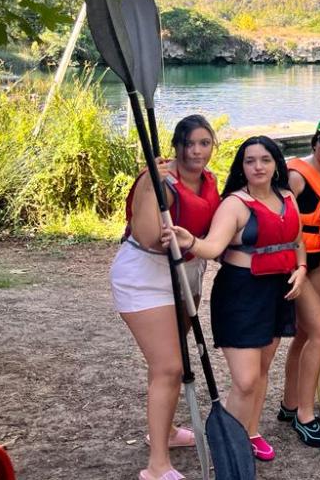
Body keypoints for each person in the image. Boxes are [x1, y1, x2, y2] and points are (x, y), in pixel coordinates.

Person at [164, 135, 308, 462]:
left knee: (260, 372)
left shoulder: (287, 196)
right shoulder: (234, 204)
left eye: (265, 160)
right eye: (250, 160)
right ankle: (230, 443)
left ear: (276, 165)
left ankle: (251, 431)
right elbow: (213, 248)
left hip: (278, 292)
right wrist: (190, 241)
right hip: (241, 294)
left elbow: (297, 240)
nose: (257, 166)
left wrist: (301, 268)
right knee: (244, 381)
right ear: (242, 166)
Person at [110, 115, 220, 480]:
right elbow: (144, 234)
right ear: (176, 146)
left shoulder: (209, 181)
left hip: (185, 276)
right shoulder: (159, 180)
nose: (195, 151)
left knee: (168, 363)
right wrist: (148, 182)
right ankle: (156, 466)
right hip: (145, 275)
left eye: (204, 143)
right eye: (188, 143)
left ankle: (168, 432)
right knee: (170, 367)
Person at [278, 118, 320, 446]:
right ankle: (305, 416)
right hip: (296, 262)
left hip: (319, 259)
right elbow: (280, 220)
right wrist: (297, 264)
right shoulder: (296, 176)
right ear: (314, 141)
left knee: (305, 334)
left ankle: (290, 404)